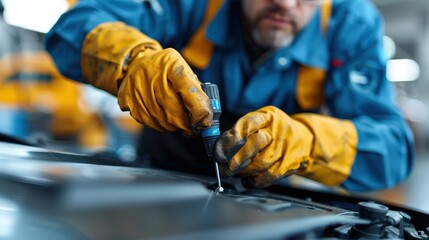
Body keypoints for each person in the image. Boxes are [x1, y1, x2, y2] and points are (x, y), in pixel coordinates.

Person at [46, 0, 414, 191]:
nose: (285, 4)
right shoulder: (196, 5)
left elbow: (394, 149)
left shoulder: (351, 26)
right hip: (156, 177)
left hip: (268, 196)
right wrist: (130, 63)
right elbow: (73, 26)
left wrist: (309, 143)